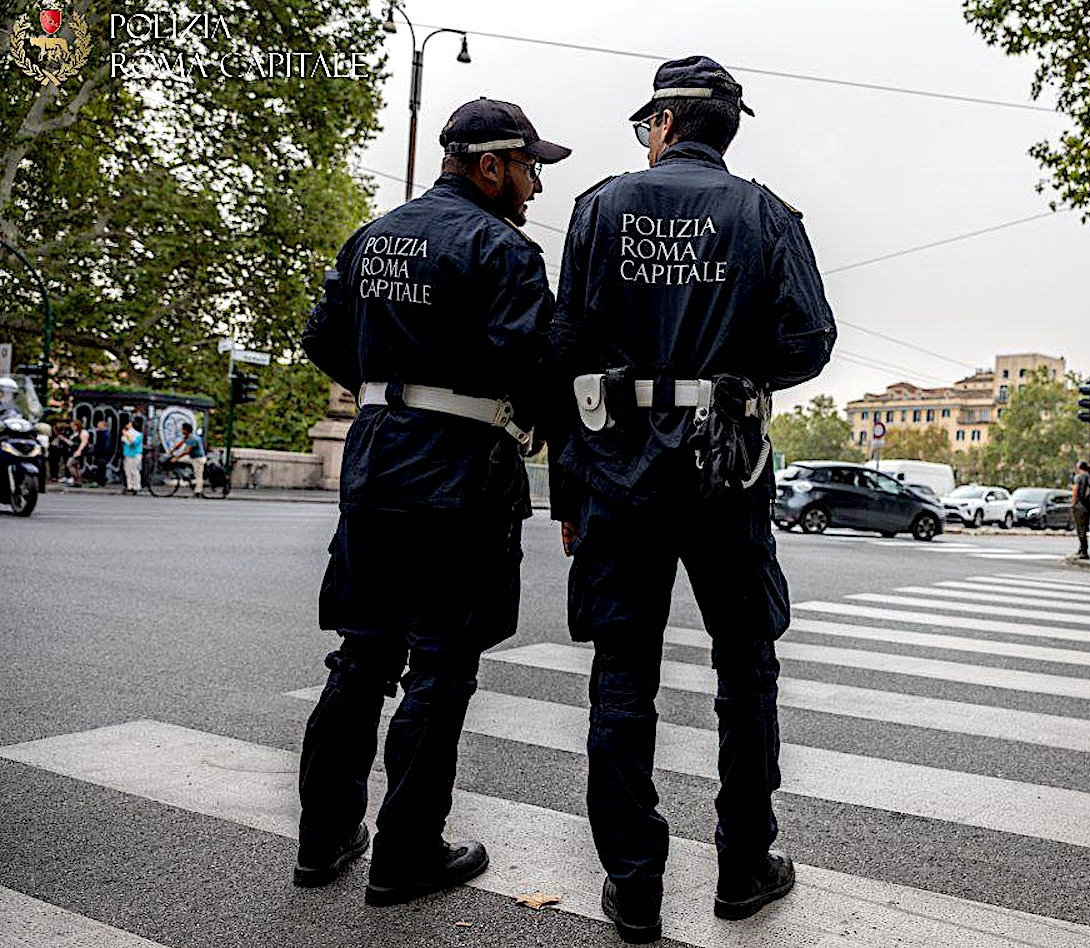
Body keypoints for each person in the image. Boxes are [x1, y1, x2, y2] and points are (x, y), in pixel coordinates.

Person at [550, 56, 834, 944]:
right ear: (726, 128)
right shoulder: (765, 214)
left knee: (622, 675)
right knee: (745, 668)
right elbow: (811, 339)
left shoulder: (599, 209)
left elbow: (565, 351)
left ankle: (634, 882)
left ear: (666, 123)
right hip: (726, 470)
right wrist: (735, 376)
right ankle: (744, 867)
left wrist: (569, 485)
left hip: (618, 471)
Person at [296, 98, 571, 906]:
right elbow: (532, 365)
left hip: (376, 463)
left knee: (361, 654)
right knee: (441, 665)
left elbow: (322, 338)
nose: (533, 187)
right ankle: (406, 853)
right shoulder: (503, 250)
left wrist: (390, 386)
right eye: (528, 169)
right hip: (462, 474)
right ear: (490, 166)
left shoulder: (372, 235)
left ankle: (323, 837)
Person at [165, 422, 205, 497]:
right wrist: (172, 450)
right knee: (178, 461)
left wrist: (177, 457)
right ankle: (185, 475)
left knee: (198, 475)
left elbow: (187, 451)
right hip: (191, 457)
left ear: (186, 430)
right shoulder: (186, 437)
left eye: (182, 429)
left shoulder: (193, 438)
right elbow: (179, 444)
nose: (181, 431)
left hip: (198, 458)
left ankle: (198, 492)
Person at [1070, 461, 1090, 557]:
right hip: (1087, 507)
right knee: (1084, 528)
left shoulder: (1079, 477)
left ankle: (1083, 550)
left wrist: (1072, 503)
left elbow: (1075, 490)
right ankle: (1082, 548)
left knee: (1080, 529)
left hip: (1079, 506)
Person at [120, 419, 144, 494]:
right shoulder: (127, 433)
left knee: (134, 470)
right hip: (128, 454)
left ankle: (136, 486)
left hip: (135, 454)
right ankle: (130, 486)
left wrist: (126, 435)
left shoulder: (138, 435)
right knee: (127, 470)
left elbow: (134, 443)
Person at [65, 419, 88, 485]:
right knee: (76, 466)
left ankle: (76, 479)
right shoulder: (75, 433)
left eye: (73, 425)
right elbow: (72, 443)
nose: (72, 427)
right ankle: (78, 481)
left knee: (69, 464)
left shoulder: (83, 432)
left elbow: (83, 442)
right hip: (74, 451)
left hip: (78, 452)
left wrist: (79, 451)